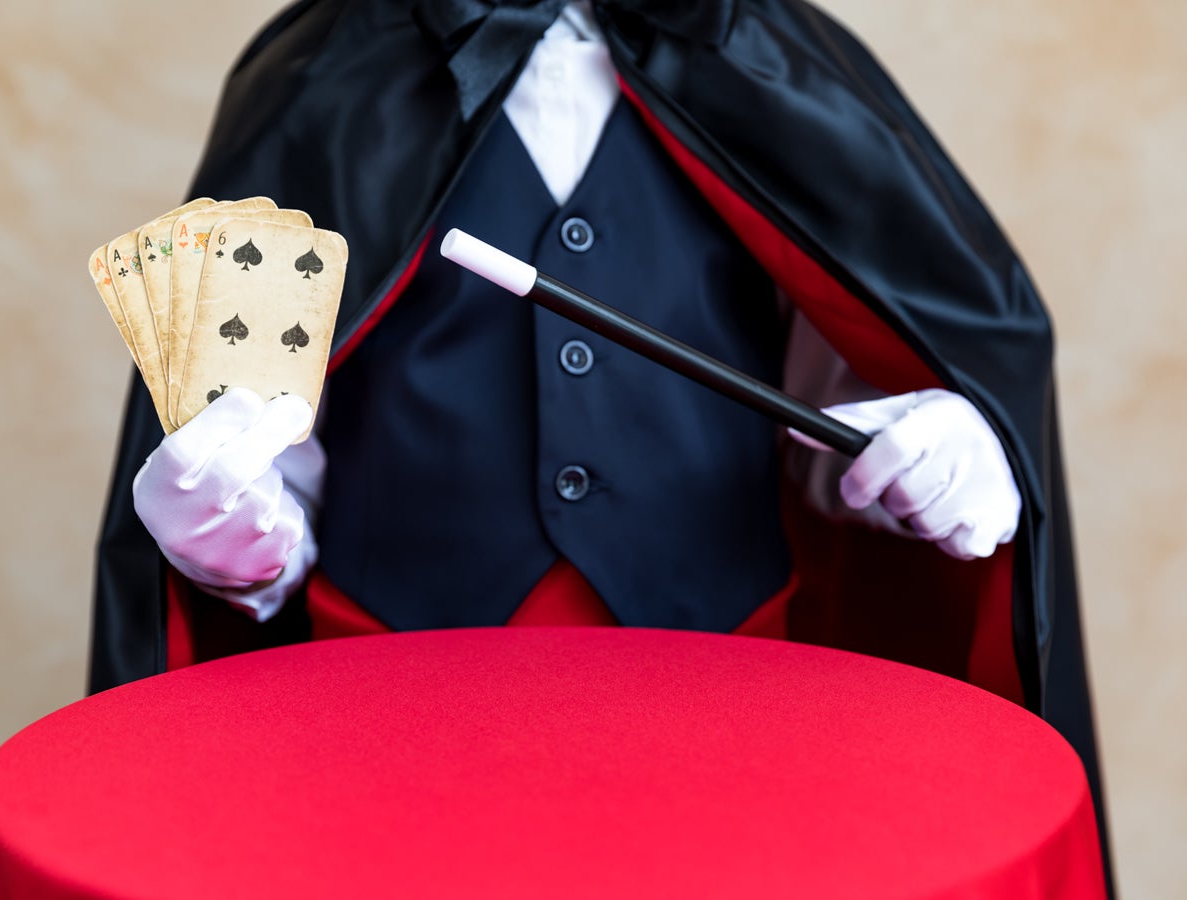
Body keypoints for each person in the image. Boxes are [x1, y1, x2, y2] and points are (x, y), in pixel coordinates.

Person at [93, 0, 1109, 882]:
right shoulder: (319, 81)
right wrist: (216, 530)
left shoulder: (777, 66)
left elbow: (858, 382)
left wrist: (939, 439)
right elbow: (258, 475)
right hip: (375, 740)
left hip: (738, 726)